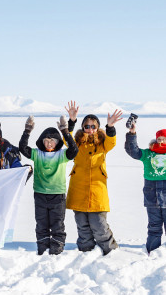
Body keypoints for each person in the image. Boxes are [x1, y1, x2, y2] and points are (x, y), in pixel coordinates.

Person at [65, 102, 123, 255]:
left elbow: (112, 142)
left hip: (97, 190)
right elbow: (67, 140)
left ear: (97, 128)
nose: (90, 129)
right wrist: (71, 122)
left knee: (99, 224)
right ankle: (86, 251)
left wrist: (110, 127)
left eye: (93, 126)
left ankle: (110, 251)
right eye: (87, 126)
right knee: (82, 224)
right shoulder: (76, 143)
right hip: (78, 188)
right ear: (82, 128)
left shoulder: (103, 144)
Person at [19, 113, 78, 255]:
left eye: (52, 141)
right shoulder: (37, 154)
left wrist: (65, 131)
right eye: (46, 140)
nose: (49, 143)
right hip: (40, 194)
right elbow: (22, 147)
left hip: (57, 195)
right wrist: (27, 130)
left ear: (58, 142)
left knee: (58, 224)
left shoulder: (62, 155)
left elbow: (74, 150)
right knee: (41, 223)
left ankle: (57, 247)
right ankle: (42, 246)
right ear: (42, 141)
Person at [125, 119, 166, 253]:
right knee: (154, 227)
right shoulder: (148, 154)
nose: (161, 141)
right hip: (152, 198)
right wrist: (132, 133)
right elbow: (133, 151)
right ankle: (153, 252)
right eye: (159, 138)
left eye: (164, 139)